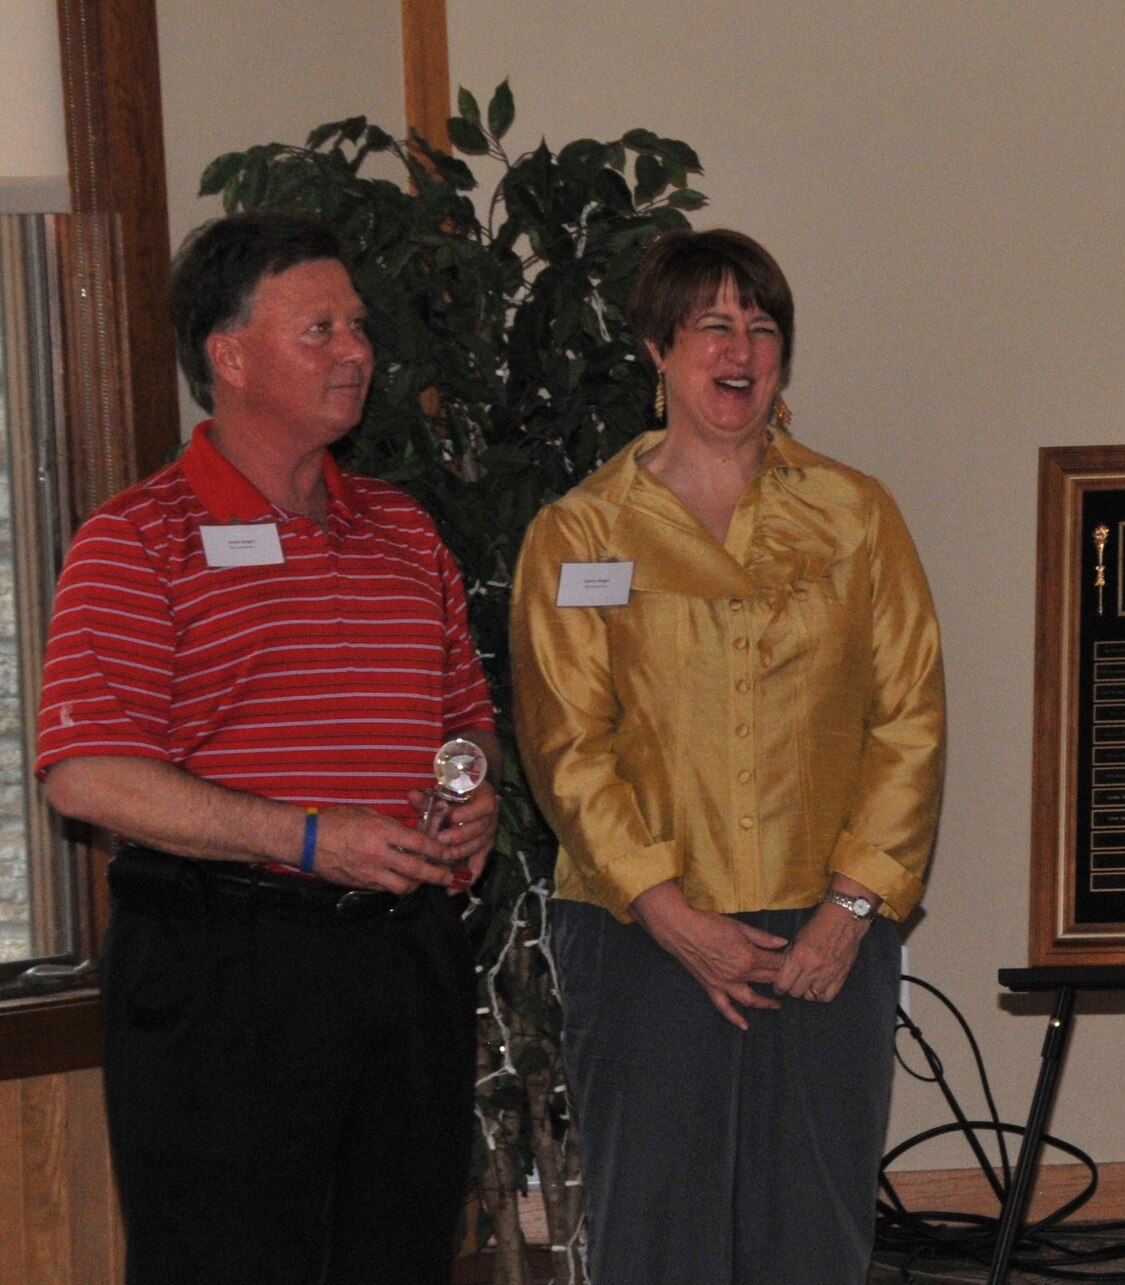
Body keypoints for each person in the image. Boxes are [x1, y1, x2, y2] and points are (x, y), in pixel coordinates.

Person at [36, 212, 501, 1284]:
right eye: (320, 328)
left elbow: (462, 720)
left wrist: (467, 787)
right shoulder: (133, 537)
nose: (357, 351)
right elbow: (85, 773)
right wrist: (301, 840)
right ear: (229, 355)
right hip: (225, 969)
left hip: (405, 959)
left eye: (359, 326)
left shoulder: (404, 528)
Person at [511, 227, 945, 1284]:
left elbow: (909, 717)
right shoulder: (578, 536)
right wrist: (669, 913)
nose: (739, 348)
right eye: (712, 325)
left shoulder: (857, 514)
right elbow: (568, 747)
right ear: (658, 349)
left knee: (814, 1227)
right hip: (642, 936)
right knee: (655, 1232)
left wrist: (849, 911)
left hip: (824, 935)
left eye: (761, 326)